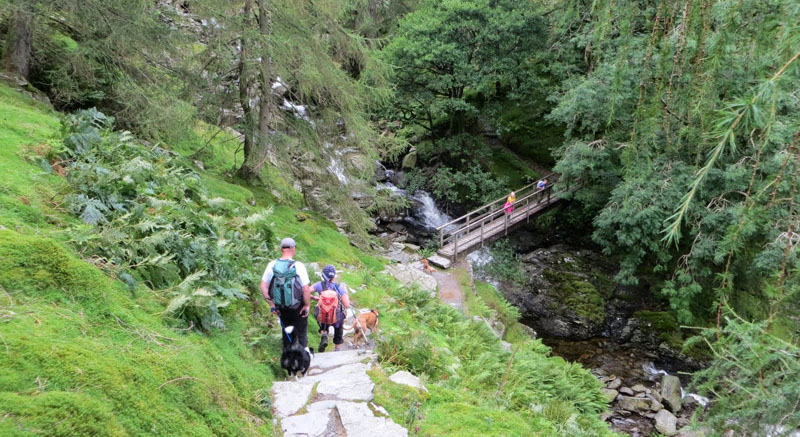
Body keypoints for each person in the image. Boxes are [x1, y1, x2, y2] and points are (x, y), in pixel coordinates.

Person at [260, 237, 312, 348]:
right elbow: (306, 289)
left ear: (281, 249)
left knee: (287, 332)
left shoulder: (272, 265)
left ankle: (289, 360)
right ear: (293, 249)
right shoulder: (298, 266)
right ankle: (302, 361)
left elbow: (263, 286)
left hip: (281, 307)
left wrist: (272, 304)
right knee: (301, 333)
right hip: (298, 306)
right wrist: (307, 305)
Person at [311, 265, 350, 352]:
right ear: (333, 276)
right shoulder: (339, 287)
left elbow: (305, 292)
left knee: (322, 318)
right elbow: (347, 305)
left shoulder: (318, 285)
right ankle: (337, 349)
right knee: (339, 328)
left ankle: (324, 334)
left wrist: (314, 297)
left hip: (323, 316)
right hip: (337, 316)